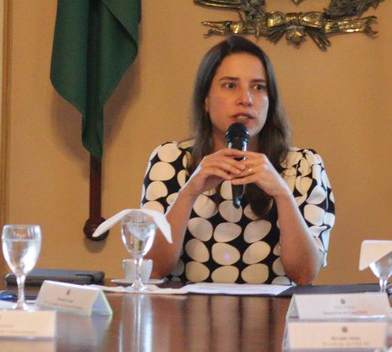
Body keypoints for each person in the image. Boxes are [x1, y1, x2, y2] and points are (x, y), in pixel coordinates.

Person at [141, 35, 335, 285]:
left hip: (274, 320)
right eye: (230, 85)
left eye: (259, 87)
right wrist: (189, 192)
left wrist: (283, 195)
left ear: (270, 101)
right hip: (184, 318)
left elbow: (305, 274)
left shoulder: (303, 166)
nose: (246, 98)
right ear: (206, 101)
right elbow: (152, 269)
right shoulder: (170, 160)